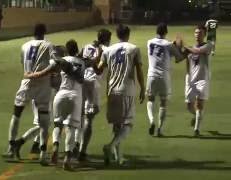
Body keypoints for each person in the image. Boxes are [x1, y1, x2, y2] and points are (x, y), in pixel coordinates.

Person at [1, 24, 57, 166]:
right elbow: (54, 64)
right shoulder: (48, 45)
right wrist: (40, 74)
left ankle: (10, 147)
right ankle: (43, 155)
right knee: (44, 123)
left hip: (26, 83)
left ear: (34, 33)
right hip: (42, 86)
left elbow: (23, 64)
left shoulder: (24, 46)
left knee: (16, 115)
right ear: (44, 33)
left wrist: (31, 73)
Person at [25, 39, 85, 170]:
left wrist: (33, 75)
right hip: (75, 96)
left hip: (60, 95)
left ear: (67, 50)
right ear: (77, 49)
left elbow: (48, 72)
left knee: (57, 124)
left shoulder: (61, 61)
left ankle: (55, 146)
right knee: (70, 128)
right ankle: (67, 159)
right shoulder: (82, 62)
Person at [93, 24, 145, 166]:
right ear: (128, 34)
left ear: (117, 35)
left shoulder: (108, 50)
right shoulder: (134, 49)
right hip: (126, 90)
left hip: (112, 91)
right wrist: (143, 87)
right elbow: (139, 70)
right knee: (128, 125)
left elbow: (98, 70)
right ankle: (110, 146)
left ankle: (118, 158)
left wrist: (95, 56)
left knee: (117, 126)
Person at [73, 29, 112, 162]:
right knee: (89, 119)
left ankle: (75, 144)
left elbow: (77, 59)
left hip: (81, 81)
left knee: (79, 115)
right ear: (108, 39)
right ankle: (82, 152)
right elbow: (100, 69)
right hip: (93, 84)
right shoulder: (106, 49)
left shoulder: (86, 46)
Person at [146, 23, 185, 137]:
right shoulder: (169, 45)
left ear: (156, 31)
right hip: (164, 76)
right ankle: (159, 129)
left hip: (151, 75)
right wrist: (181, 48)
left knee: (150, 99)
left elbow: (161, 48)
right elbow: (179, 58)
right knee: (163, 103)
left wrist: (173, 45)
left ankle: (152, 120)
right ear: (166, 32)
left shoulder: (149, 42)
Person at [183, 24, 213, 137]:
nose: (197, 35)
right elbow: (184, 59)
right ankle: (196, 116)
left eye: (200, 33)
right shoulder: (191, 48)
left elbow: (196, 52)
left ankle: (196, 129)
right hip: (191, 79)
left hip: (202, 80)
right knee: (189, 105)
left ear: (204, 35)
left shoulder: (208, 46)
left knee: (199, 104)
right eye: (196, 33)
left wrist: (186, 47)